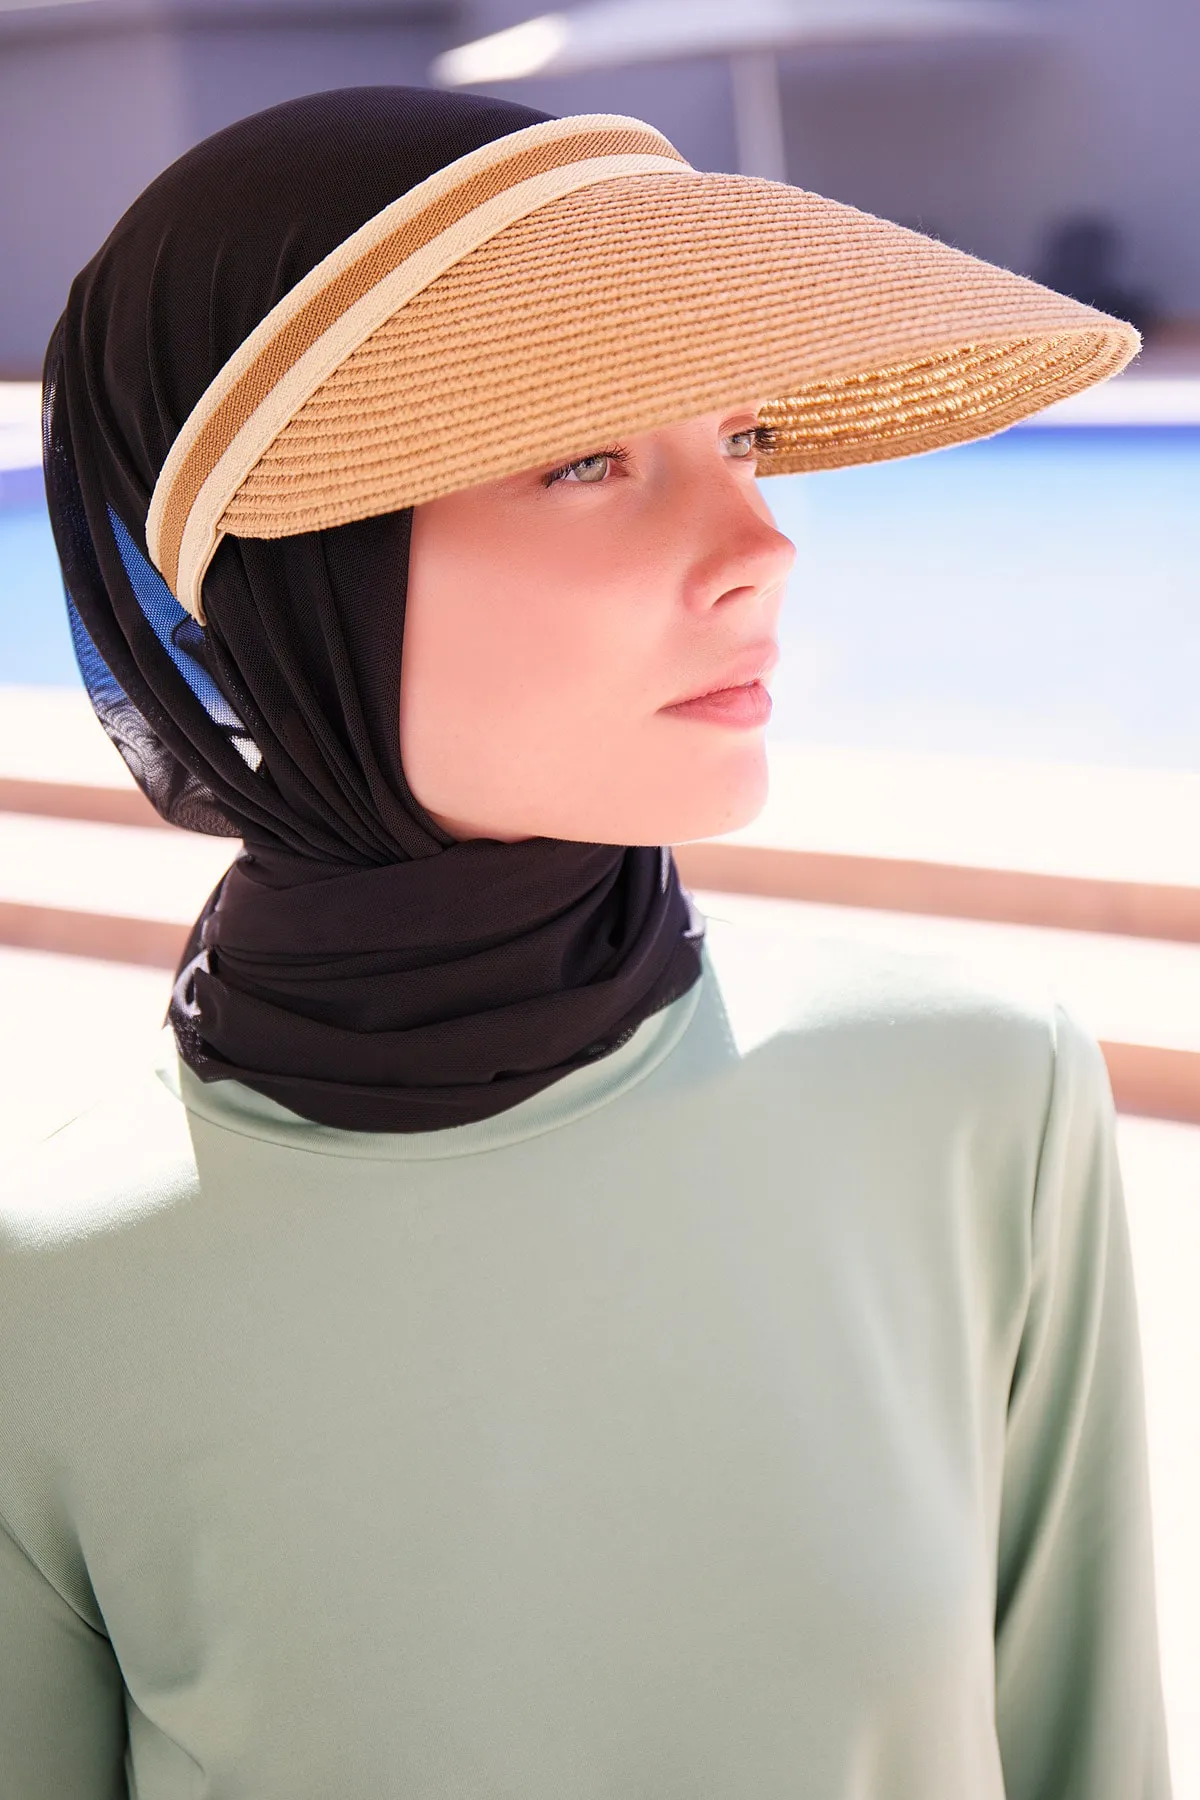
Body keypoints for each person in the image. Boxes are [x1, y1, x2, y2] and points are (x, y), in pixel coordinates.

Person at [1, 85, 1170, 1799]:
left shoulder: (974, 1091)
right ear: (290, 586)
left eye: (743, 438)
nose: (762, 547)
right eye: (585, 460)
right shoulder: (48, 1301)